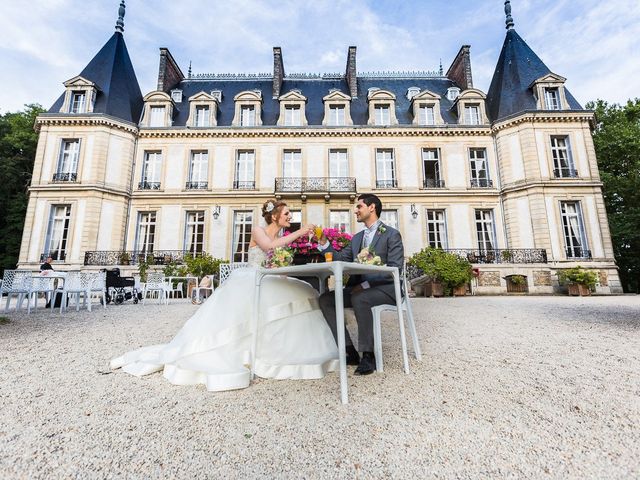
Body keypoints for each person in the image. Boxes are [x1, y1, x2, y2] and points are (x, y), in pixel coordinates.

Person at [110, 200, 339, 391]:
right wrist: (300, 231)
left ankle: (288, 352)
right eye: (287, 213)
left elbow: (278, 256)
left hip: (270, 277)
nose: (291, 216)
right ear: (275, 216)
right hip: (251, 277)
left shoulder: (283, 234)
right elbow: (270, 247)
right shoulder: (258, 231)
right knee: (282, 296)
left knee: (304, 290)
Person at [317, 193, 405, 376]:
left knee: (360, 297)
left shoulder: (391, 234)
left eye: (359, 207)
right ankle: (349, 350)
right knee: (326, 299)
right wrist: (325, 244)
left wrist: (364, 286)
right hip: (360, 290)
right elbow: (341, 258)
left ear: (371, 207)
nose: (355, 210)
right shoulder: (357, 238)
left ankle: (368, 355)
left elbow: (395, 270)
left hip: (387, 289)